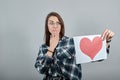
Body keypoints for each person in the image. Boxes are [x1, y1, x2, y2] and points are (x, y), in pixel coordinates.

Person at [34, 12, 115, 80]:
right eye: (51, 23)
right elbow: (41, 70)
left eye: (58, 23)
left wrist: (107, 41)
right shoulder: (43, 48)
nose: (55, 26)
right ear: (47, 26)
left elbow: (98, 57)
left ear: (61, 26)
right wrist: (51, 49)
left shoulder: (71, 42)